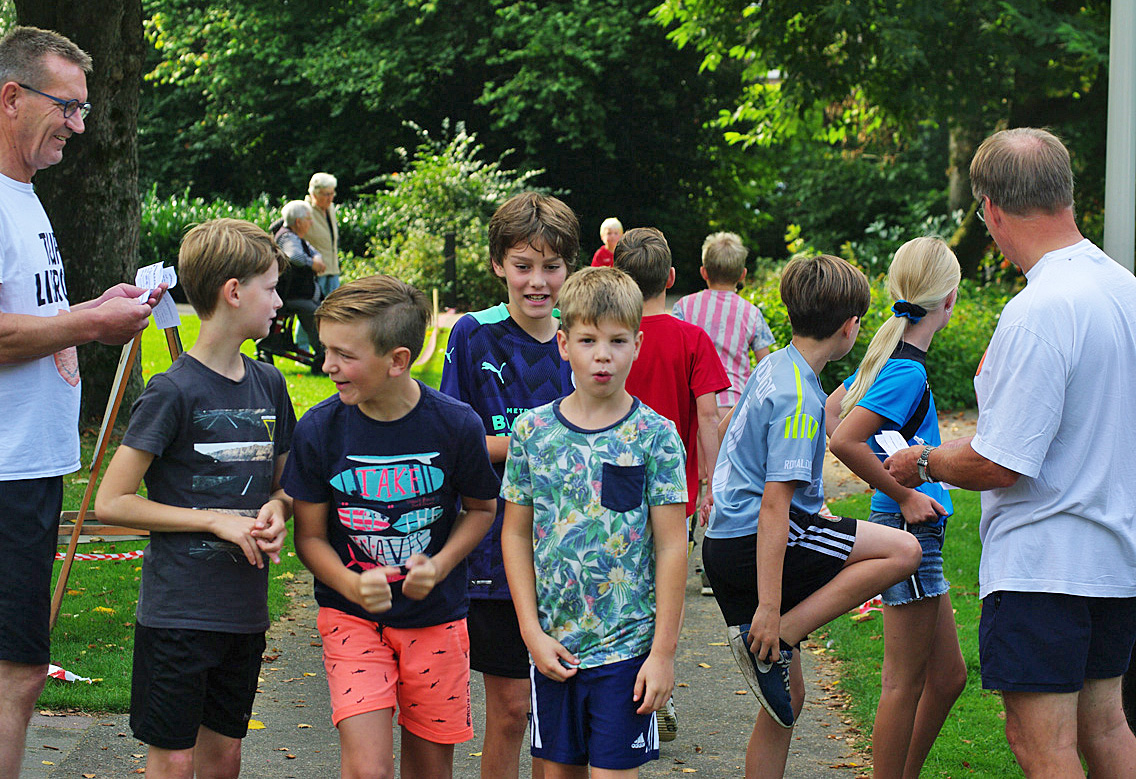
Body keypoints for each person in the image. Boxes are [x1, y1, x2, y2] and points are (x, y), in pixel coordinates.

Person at [886, 128, 1136, 778]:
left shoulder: (1039, 309)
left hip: (1043, 567)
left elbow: (1001, 462)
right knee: (1107, 727)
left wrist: (922, 461)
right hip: (1114, 559)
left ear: (991, 209)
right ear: (1066, 192)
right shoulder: (1124, 289)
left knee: (1040, 743)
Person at [0, 26, 164, 776]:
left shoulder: (24, 196)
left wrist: (87, 310)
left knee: (18, 674)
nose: (79, 124)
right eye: (66, 106)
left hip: (26, 469)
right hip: (6, 474)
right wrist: (88, 325)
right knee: (14, 675)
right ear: (12, 97)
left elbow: (28, 317)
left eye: (84, 108)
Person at [704, 254, 921, 779]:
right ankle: (779, 635)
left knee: (788, 701)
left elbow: (734, 427)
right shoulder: (799, 398)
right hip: (759, 541)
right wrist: (770, 610)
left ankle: (775, 641)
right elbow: (775, 505)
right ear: (849, 327)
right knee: (903, 550)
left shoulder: (776, 367)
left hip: (726, 539)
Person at [94, 219, 294, 778]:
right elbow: (112, 501)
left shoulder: (270, 384)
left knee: (224, 756)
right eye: (271, 288)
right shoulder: (172, 391)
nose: (280, 301)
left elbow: (286, 485)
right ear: (234, 292)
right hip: (178, 615)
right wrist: (214, 521)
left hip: (243, 615)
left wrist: (279, 508)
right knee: (175, 759)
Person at [282, 275, 500, 778]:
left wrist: (440, 566)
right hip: (351, 619)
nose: (327, 365)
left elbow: (481, 510)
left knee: (428, 770)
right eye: (326, 350)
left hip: (436, 619)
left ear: (397, 360)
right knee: (368, 769)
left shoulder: (456, 424)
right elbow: (309, 537)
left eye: (344, 354)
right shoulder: (319, 429)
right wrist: (350, 584)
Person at [500, 266, 689, 776]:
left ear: (637, 345)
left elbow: (673, 546)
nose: (602, 354)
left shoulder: (656, 435)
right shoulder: (531, 432)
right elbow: (514, 534)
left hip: (627, 651)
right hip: (553, 648)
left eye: (617, 341)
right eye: (587, 340)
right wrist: (531, 633)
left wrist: (663, 654)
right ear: (564, 344)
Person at [439, 191, 579, 778]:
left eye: (551, 266)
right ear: (499, 264)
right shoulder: (473, 335)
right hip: (494, 554)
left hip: (574, 552)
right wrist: (542, 441)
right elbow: (453, 440)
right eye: (523, 265)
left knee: (564, 713)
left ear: (570, 268)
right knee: (511, 710)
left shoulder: (585, 337)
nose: (537, 281)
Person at [825, 237, 966, 779]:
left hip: (917, 527)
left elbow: (835, 411)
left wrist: (887, 464)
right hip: (911, 528)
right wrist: (902, 492)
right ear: (949, 298)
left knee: (948, 677)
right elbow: (844, 439)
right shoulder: (907, 372)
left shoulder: (891, 357)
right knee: (902, 682)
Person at [613, 227, 729, 740]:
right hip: (672, 489)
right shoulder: (692, 339)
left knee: (620, 585)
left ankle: (617, 681)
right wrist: (710, 482)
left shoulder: (610, 338)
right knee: (664, 589)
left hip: (612, 482)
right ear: (672, 278)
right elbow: (708, 417)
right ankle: (659, 685)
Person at [672, 231, 775, 416]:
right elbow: (766, 366)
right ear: (742, 275)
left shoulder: (684, 307)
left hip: (695, 405)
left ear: (704, 272)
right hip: (736, 407)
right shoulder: (751, 313)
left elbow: (674, 356)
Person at [273, 199, 326, 372]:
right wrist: (312, 263)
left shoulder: (296, 237)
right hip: (294, 296)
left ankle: (325, 352)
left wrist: (315, 259)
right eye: (309, 219)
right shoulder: (288, 237)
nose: (311, 223)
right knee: (316, 315)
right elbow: (294, 256)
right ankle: (323, 354)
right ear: (298, 222)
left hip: (302, 294)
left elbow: (314, 252)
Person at [304, 172, 340, 297]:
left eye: (332, 193)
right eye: (326, 194)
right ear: (314, 194)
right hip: (316, 273)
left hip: (333, 270)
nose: (330, 198)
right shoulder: (304, 210)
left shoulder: (331, 208)